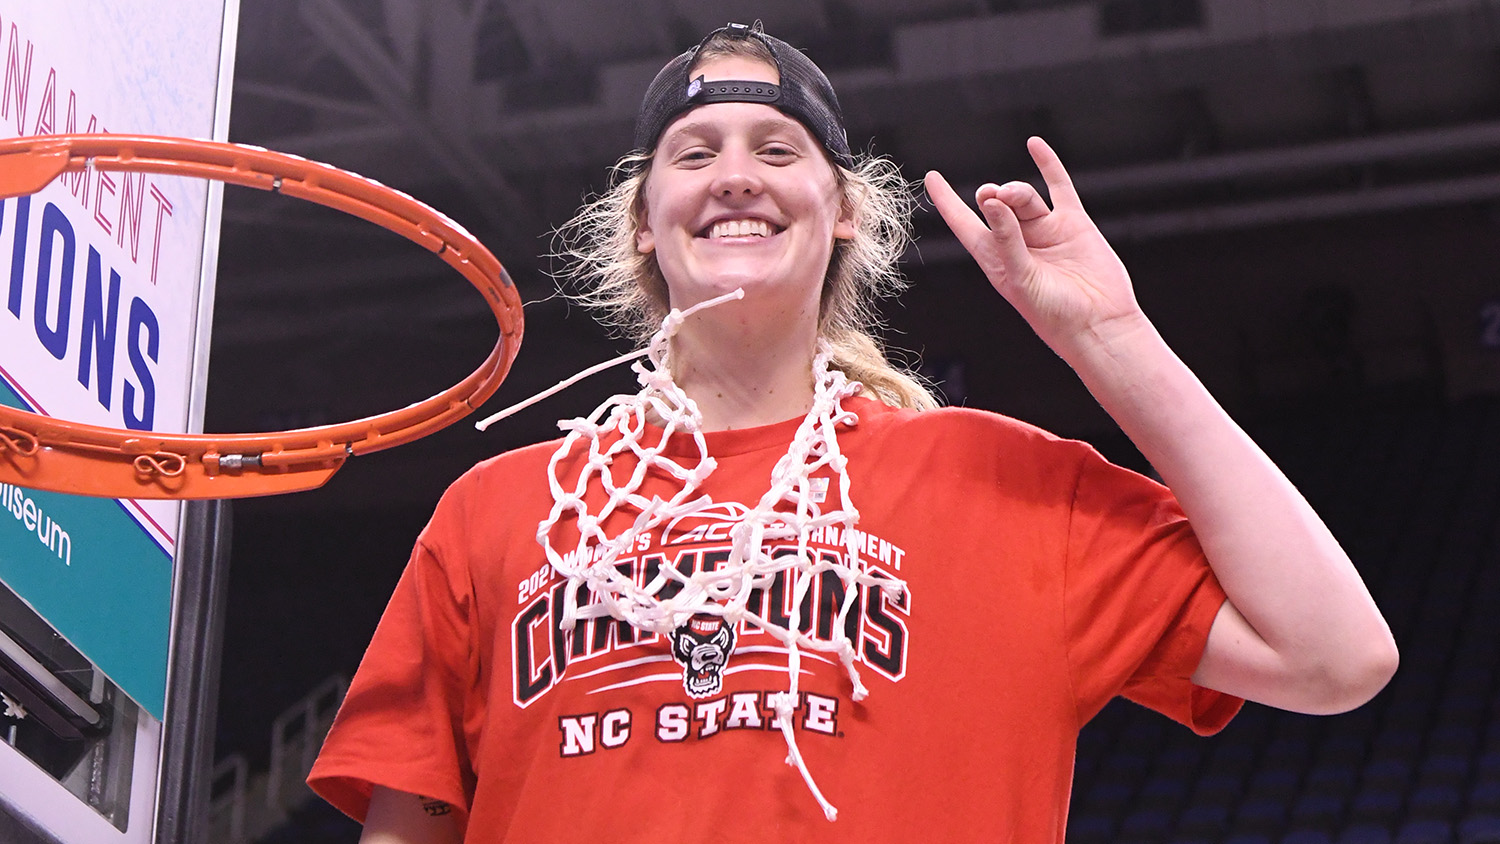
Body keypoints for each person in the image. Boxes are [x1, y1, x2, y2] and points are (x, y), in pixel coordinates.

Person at [308, 21, 1397, 843]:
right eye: (694, 154)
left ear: (846, 214)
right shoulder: (496, 512)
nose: (736, 173)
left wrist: (1113, 336)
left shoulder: (1004, 483)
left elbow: (1336, 656)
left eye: (778, 150)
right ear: (643, 227)